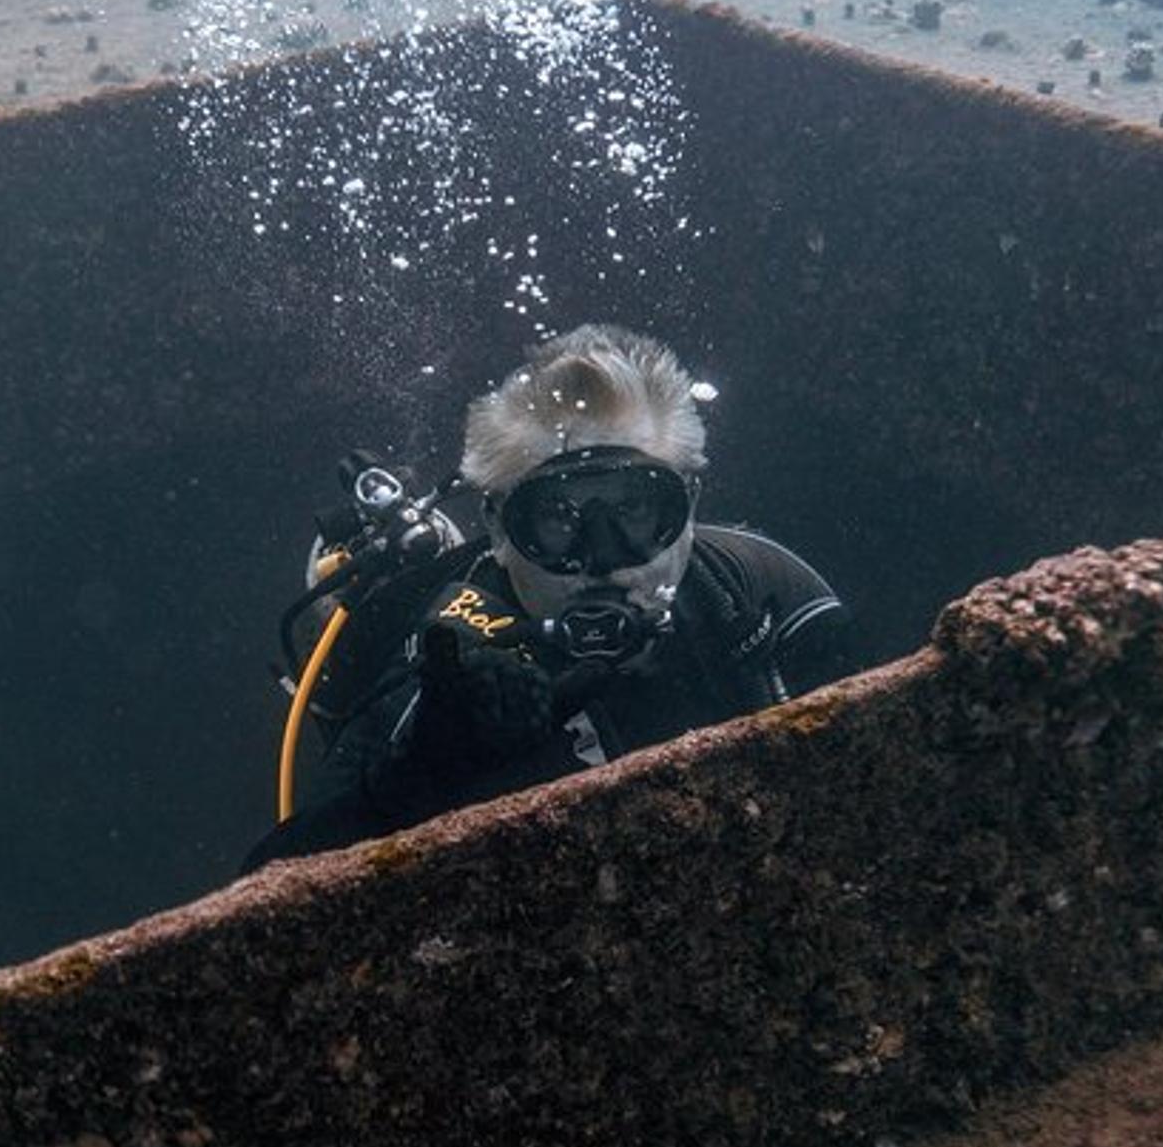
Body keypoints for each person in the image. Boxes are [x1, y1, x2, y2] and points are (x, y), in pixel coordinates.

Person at [246, 323, 852, 868]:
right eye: (558, 520)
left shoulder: (764, 593)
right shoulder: (445, 668)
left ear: (688, 506)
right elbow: (270, 893)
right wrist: (425, 774)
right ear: (501, 528)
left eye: (637, 511)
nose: (601, 560)